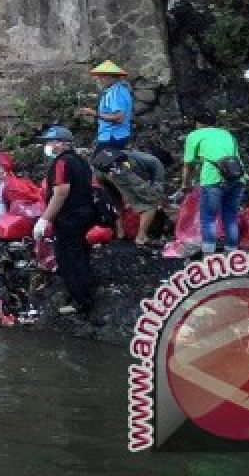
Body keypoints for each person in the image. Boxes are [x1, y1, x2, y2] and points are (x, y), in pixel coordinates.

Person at [33, 126, 97, 316]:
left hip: (69, 218)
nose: (47, 146)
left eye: (50, 142)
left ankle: (81, 303)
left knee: (67, 259)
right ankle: (85, 296)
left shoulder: (62, 163)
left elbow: (61, 192)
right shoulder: (81, 162)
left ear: (60, 144)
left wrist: (44, 219)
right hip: (85, 215)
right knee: (81, 255)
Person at [181, 111, 246, 256]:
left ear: (197, 123)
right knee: (230, 216)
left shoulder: (195, 135)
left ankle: (209, 257)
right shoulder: (227, 134)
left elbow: (188, 164)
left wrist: (185, 184)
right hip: (237, 178)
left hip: (213, 180)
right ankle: (232, 255)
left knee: (208, 217)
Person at [92, 148, 167, 246]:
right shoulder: (158, 164)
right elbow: (156, 190)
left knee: (116, 201)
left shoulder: (136, 156)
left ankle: (120, 232)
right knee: (151, 202)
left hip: (100, 169)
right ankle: (141, 237)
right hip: (118, 169)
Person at [78, 61, 133, 154]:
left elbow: (119, 118)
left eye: (102, 76)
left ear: (111, 77)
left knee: (101, 165)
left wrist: (93, 113)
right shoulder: (119, 90)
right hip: (117, 135)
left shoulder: (115, 93)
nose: (99, 79)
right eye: (99, 76)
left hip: (112, 137)